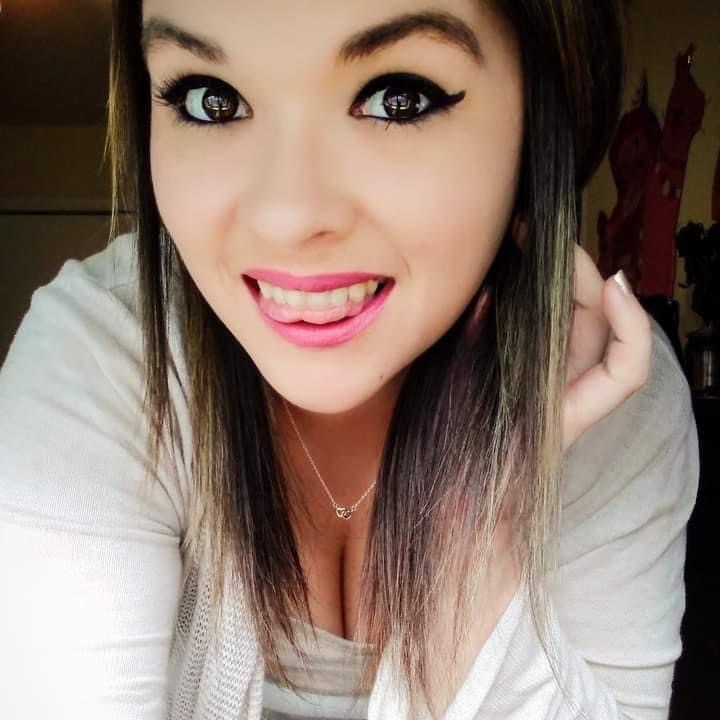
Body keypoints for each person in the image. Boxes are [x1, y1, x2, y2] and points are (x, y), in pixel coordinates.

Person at [0, 1, 699, 719]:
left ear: (541, 121)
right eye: (211, 100)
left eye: (398, 99)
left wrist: (476, 550)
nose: (286, 217)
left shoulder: (606, 399)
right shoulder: (97, 360)